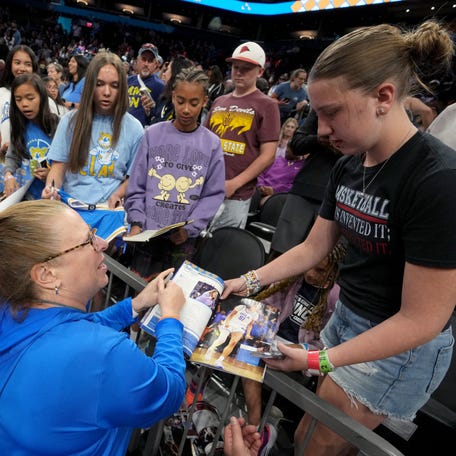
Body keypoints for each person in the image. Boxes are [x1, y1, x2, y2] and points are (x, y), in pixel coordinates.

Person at [222, 20, 456, 455]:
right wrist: (247, 281)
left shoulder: (437, 179)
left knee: (316, 441)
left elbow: (422, 319)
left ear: (384, 97)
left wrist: (316, 359)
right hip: (347, 318)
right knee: (312, 426)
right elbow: (313, 247)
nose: (322, 129)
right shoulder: (349, 165)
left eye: (332, 112)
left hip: (396, 344)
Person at [0, 199, 187, 455]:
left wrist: (135, 305)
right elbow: (169, 391)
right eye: (88, 240)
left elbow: (66, 329)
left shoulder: (12, 307)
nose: (103, 244)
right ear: (46, 274)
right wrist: (171, 318)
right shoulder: (102, 354)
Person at [240, 243, 346, 454]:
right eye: (310, 266)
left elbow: (326, 345)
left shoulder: (336, 298)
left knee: (251, 355)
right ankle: (256, 426)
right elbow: (266, 307)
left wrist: (296, 349)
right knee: (247, 346)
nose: (310, 273)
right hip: (272, 337)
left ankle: (255, 430)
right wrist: (258, 326)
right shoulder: (293, 276)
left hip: (302, 352)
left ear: (333, 271)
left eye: (320, 270)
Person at [124, 67, 225, 278]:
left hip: (183, 241)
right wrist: (136, 221)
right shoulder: (152, 134)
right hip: (146, 235)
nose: (186, 109)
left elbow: (213, 194)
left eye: (194, 103)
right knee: (139, 294)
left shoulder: (212, 144)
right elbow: (136, 185)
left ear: (205, 101)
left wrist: (191, 228)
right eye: (180, 101)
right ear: (173, 97)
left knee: (171, 300)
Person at [42, 51, 144, 208]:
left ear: (122, 89)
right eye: (100, 84)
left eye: (114, 85)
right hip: (70, 208)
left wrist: (117, 194)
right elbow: (58, 167)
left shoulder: (135, 128)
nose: (107, 92)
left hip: (108, 212)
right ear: (90, 85)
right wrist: (51, 190)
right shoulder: (69, 121)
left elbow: (133, 178)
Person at [204, 41, 280, 230]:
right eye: (236, 67)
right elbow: (203, 141)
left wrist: (234, 183)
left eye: (246, 69)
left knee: (218, 250)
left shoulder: (267, 105)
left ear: (260, 72)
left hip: (236, 195)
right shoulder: (219, 101)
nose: (238, 72)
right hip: (205, 187)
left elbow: (269, 154)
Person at [269, 109, 340, 259]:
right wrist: (319, 139)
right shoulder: (324, 107)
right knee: (280, 254)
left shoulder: (369, 108)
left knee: (321, 265)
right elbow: (296, 144)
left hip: (342, 197)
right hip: (306, 188)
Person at [3, 73, 59, 199]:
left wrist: (51, 174)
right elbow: (12, 157)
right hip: (28, 195)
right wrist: (8, 175)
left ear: (42, 97)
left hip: (53, 195)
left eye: (30, 98)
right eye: (18, 99)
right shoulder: (19, 127)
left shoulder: (57, 124)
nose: (24, 104)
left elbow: (67, 162)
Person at [0, 45, 37, 156]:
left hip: (33, 161)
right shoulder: (1, 93)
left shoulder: (42, 97)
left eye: (28, 64)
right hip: (4, 161)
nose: (22, 68)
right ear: (10, 65)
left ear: (33, 67)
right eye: (17, 63)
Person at [205, 299, 260, 368]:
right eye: (255, 305)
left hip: (240, 327)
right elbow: (231, 315)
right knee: (222, 340)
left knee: (233, 343)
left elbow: (250, 325)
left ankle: (219, 361)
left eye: (257, 306)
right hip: (231, 322)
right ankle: (210, 349)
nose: (256, 307)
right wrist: (227, 322)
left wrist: (248, 333)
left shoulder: (255, 315)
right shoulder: (241, 307)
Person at [127, 43, 165, 127]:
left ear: (156, 64)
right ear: (137, 60)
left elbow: (162, 117)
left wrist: (153, 109)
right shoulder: (128, 81)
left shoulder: (160, 87)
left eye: (150, 60)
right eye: (143, 59)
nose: (146, 64)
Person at [151, 55, 193, 124]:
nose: (164, 74)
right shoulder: (163, 98)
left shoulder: (180, 104)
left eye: (167, 70)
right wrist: (150, 112)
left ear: (174, 74)